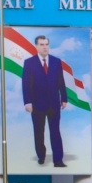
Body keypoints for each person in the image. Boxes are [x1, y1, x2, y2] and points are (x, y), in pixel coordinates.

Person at [21, 34, 67, 167]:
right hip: (36, 104)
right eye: (42, 45)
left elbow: (60, 81)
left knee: (55, 132)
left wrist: (64, 98)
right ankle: (41, 156)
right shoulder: (29, 63)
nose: (45, 47)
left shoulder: (56, 61)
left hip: (54, 103)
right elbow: (26, 84)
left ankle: (58, 160)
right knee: (39, 132)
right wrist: (27, 102)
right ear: (36, 46)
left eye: (46, 44)